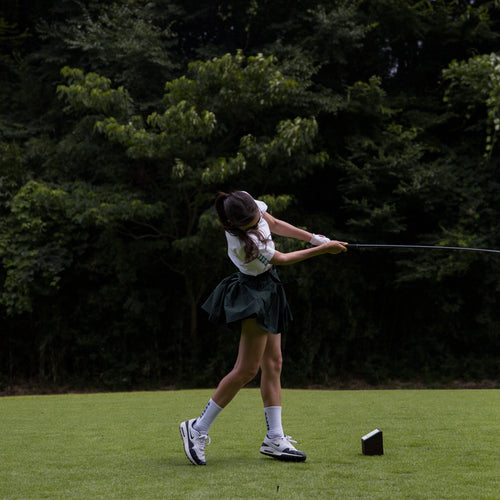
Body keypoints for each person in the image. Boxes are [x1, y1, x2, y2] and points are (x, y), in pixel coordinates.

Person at [180, 190, 347, 465]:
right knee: (246, 369)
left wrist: (313, 237)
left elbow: (274, 222)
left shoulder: (245, 204)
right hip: (253, 294)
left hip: (269, 287)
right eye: (253, 222)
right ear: (236, 224)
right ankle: (196, 428)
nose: (259, 222)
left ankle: (274, 438)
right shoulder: (244, 245)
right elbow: (281, 259)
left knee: (274, 363)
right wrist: (322, 250)